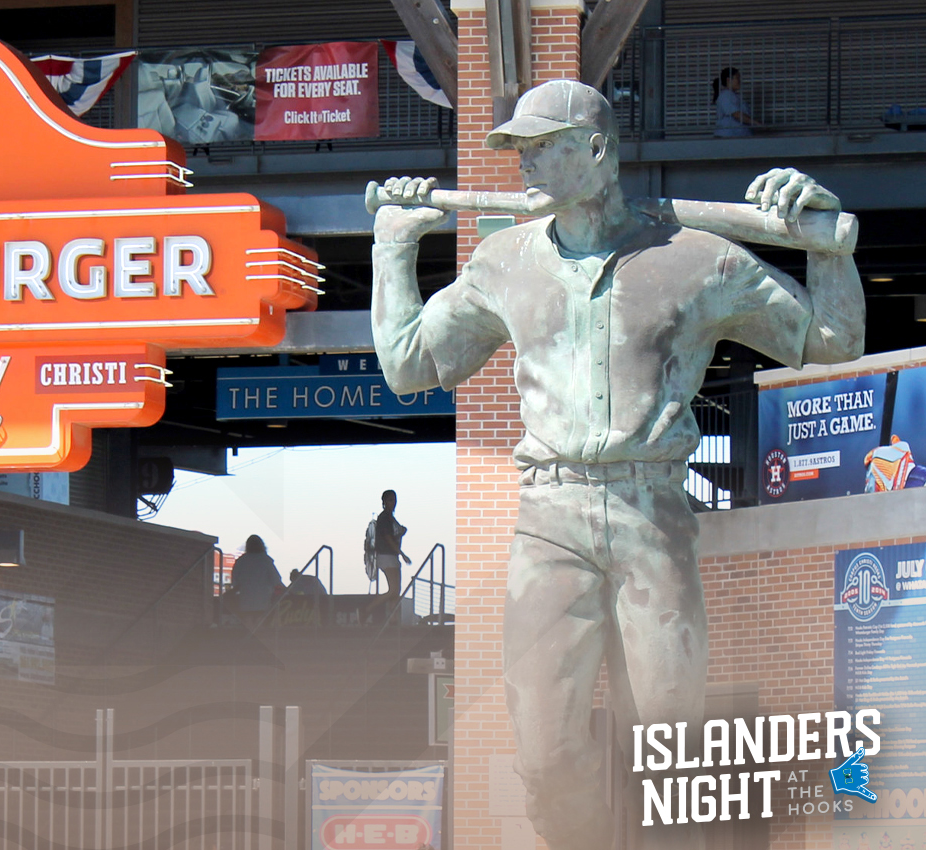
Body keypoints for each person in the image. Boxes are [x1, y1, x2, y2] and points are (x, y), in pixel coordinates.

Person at [370, 79, 863, 850]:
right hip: (549, 524)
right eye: (519, 148)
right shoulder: (504, 262)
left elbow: (833, 342)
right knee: (545, 756)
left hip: (651, 517)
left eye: (543, 146)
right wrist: (395, 245)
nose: (525, 162)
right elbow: (407, 366)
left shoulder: (698, 261)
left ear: (597, 152)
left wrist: (830, 247)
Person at [229, 535, 284, 627]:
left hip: (246, 600)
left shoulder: (241, 561)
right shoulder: (266, 560)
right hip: (263, 600)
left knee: (248, 623)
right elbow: (276, 580)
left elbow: (235, 581)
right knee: (261, 624)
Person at [373, 490, 411, 602]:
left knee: (396, 591)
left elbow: (392, 536)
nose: (393, 503)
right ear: (384, 502)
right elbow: (388, 538)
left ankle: (392, 617)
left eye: (394, 500)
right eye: (390, 500)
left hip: (392, 556)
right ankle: (367, 610)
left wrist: (401, 533)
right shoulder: (384, 517)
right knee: (393, 590)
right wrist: (402, 554)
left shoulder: (390, 518)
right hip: (386, 555)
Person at [712, 67, 759, 137]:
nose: (739, 81)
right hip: (728, 139)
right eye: (737, 78)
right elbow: (736, 114)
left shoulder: (734, 96)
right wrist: (756, 123)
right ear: (728, 80)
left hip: (736, 139)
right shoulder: (726, 95)